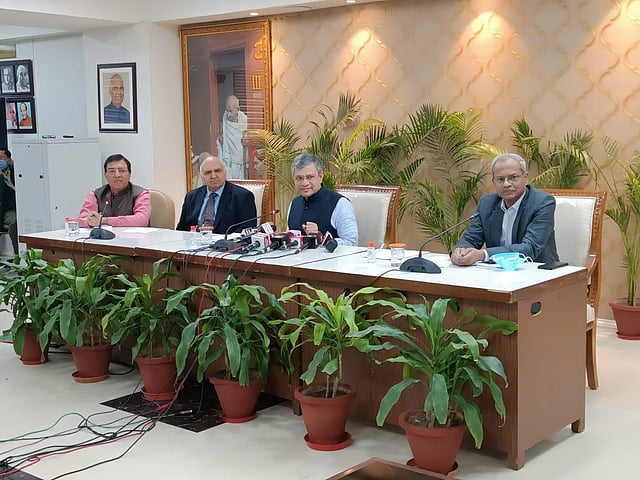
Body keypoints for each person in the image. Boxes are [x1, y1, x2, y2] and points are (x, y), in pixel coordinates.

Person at [450, 153, 559, 266]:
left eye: (513, 178)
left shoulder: (542, 203)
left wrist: (483, 254)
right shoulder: (487, 203)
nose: (506, 184)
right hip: (497, 270)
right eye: (500, 179)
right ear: (493, 182)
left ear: (525, 178)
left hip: (538, 270)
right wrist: (460, 251)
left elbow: (530, 248)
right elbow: (471, 239)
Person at [287, 153, 358, 246]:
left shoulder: (340, 204)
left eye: (310, 177)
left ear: (320, 177)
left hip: (331, 256)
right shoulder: (294, 204)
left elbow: (352, 243)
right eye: (299, 178)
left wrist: (321, 238)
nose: (305, 183)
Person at [176, 155, 256, 233]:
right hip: (194, 240)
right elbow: (181, 230)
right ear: (202, 177)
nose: (213, 176)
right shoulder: (191, 197)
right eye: (208, 173)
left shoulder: (243, 197)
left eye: (217, 171)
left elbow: (247, 229)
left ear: (225, 173)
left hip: (225, 241)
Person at [78, 154, 150, 228]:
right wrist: (89, 221)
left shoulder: (140, 194)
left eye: (122, 171)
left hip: (133, 235)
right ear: (105, 175)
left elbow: (141, 220)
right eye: (112, 171)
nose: (117, 175)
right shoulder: (95, 194)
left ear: (129, 174)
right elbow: (81, 220)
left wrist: (103, 220)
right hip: (103, 235)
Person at [219, 95, 248, 178]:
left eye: (230, 111)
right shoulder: (225, 119)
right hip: (231, 162)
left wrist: (247, 140)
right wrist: (221, 141)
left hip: (243, 161)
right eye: (227, 111)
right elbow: (223, 136)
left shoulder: (244, 120)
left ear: (237, 109)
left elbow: (250, 137)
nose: (228, 114)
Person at [0, 149, 18, 255]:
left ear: (8, 159)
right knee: (14, 222)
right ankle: (17, 252)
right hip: (6, 209)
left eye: (1, 158)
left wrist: (15, 166)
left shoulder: (14, 171)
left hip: (19, 206)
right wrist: (0, 177)